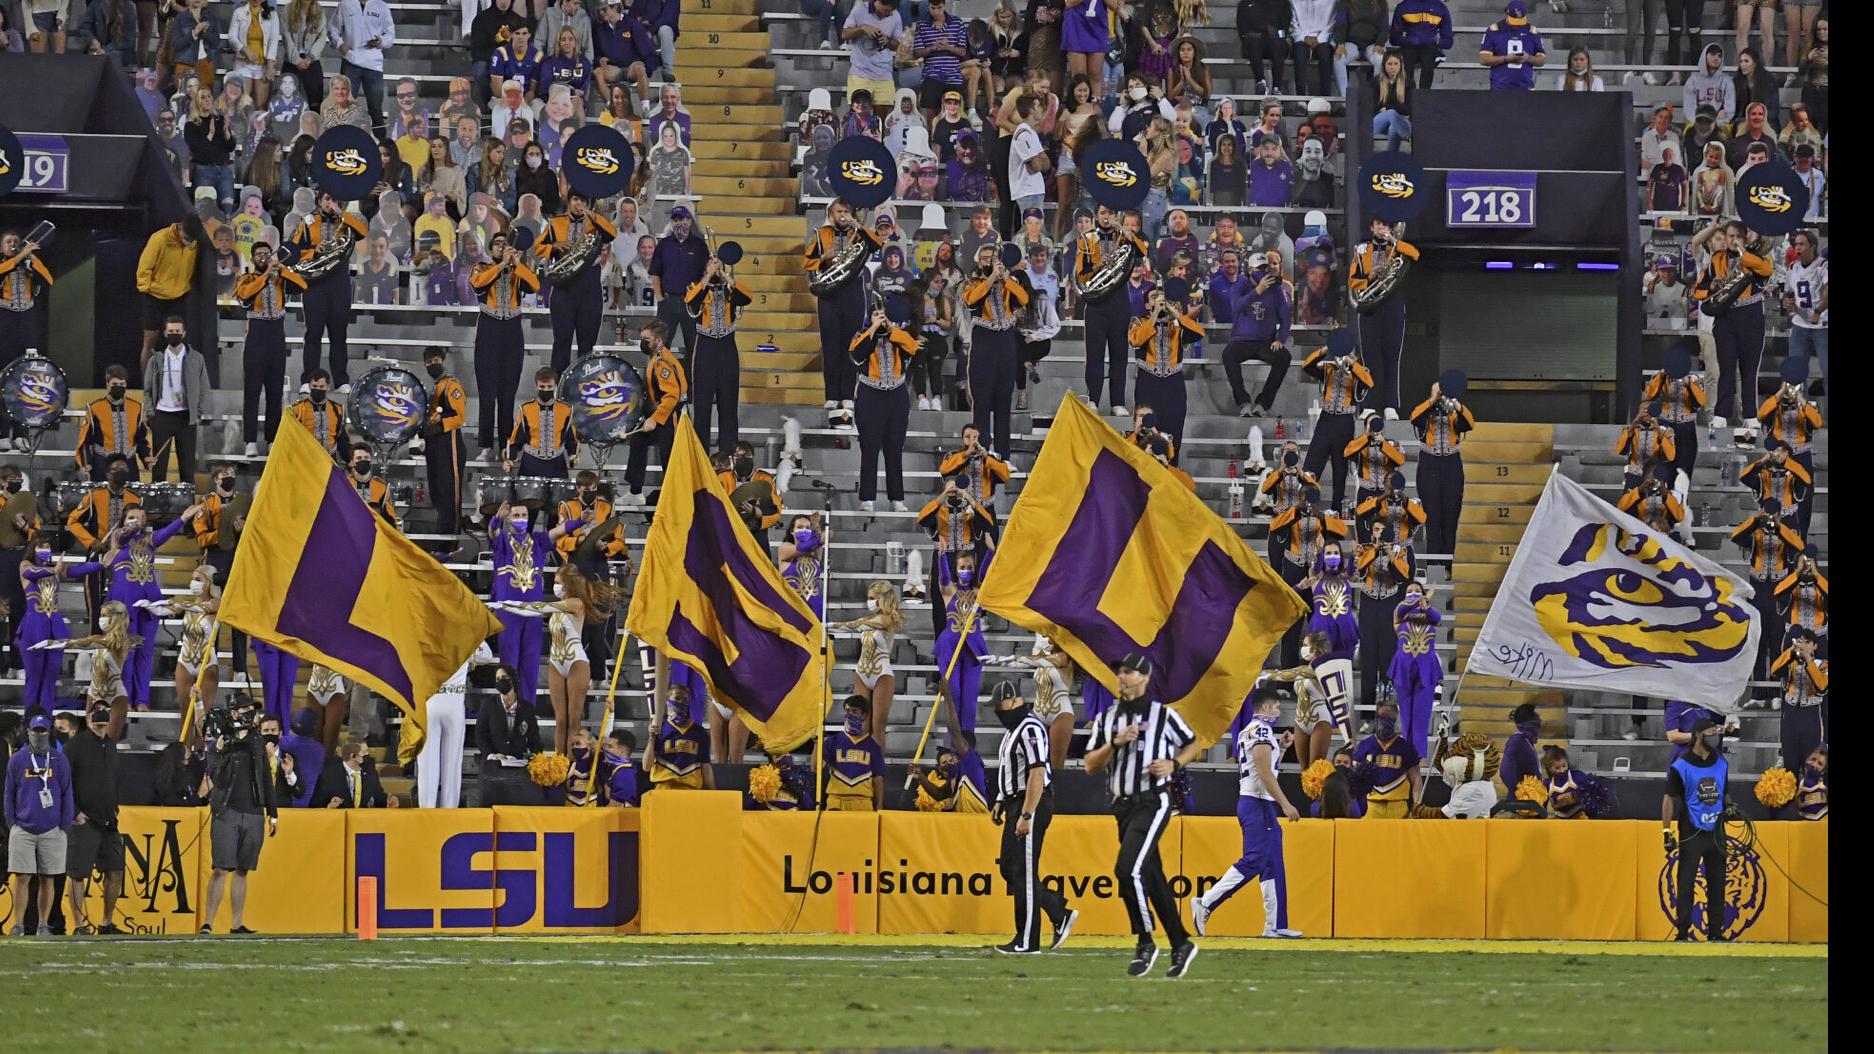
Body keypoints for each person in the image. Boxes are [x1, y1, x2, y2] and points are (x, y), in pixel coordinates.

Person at [1083, 653, 1201, 978]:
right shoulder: (1109, 718)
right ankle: (1180, 942)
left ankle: (1145, 940)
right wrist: (1115, 743)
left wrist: (1174, 764)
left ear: (1145, 678)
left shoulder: (1162, 715)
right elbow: (1090, 764)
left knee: (1126, 870)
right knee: (1152, 877)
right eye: (1120, 671)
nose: (1122, 677)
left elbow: (1194, 744)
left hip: (1153, 800)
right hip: (1122, 805)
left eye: (1129, 672)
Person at [1192, 682, 1302, 939]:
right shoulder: (1261, 731)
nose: (1277, 712)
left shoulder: (1252, 731)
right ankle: (1206, 902)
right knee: (1254, 859)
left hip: (1257, 801)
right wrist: (1285, 804)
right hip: (1258, 802)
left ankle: (1275, 924)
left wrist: (1283, 748)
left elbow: (1264, 767)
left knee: (1273, 863)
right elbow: (1264, 773)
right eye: (1275, 707)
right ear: (1265, 706)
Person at [988, 679, 1076, 953]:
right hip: (1015, 801)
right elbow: (1012, 769)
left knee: (1024, 873)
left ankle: (1027, 940)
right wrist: (1001, 799)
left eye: (1000, 706)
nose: (998, 712)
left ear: (1014, 701)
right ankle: (1057, 911)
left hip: (1030, 802)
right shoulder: (1013, 730)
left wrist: (1027, 813)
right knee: (1009, 869)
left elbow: (1037, 771)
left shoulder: (1029, 727)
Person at [201, 695, 276, 933]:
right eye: (244, 709)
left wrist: (272, 813)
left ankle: (237, 923)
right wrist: (222, 751)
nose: (249, 713)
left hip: (253, 810)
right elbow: (216, 778)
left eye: (250, 709)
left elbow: (265, 777)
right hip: (227, 809)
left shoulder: (256, 740)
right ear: (233, 712)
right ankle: (208, 923)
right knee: (221, 868)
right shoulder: (221, 741)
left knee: (243, 869)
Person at [804, 200, 883, 428]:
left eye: (846, 211)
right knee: (830, 346)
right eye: (839, 211)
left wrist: (858, 225)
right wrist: (824, 257)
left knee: (851, 344)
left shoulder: (858, 233)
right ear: (831, 214)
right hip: (829, 293)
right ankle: (831, 395)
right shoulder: (821, 234)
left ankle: (847, 394)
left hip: (852, 292)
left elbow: (876, 244)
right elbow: (807, 263)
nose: (843, 215)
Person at [1690, 221, 1773, 428]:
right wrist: (1713, 287)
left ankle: (1750, 416)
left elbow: (1766, 270)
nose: (1732, 239)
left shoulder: (1757, 257)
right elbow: (1698, 291)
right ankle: (1721, 414)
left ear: (1745, 238)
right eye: (1729, 236)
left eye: (1737, 236)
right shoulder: (1717, 258)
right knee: (1726, 367)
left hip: (1751, 315)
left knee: (1749, 370)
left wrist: (1742, 251)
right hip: (1726, 317)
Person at [285, 190, 368, 391]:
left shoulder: (345, 221)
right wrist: (314, 251)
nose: (331, 203)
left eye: (335, 199)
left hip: (339, 283)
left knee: (339, 334)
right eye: (328, 199)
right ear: (319, 201)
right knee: (313, 333)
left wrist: (342, 213)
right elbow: (292, 251)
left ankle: (341, 381)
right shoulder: (307, 221)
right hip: (314, 284)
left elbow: (363, 232)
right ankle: (307, 380)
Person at [1075, 204, 1151, 417]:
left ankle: (1118, 402)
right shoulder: (1086, 239)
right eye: (1103, 213)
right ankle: (1093, 399)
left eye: (1110, 213)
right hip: (1096, 304)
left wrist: (1125, 230)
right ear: (1096, 216)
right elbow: (1081, 274)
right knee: (1095, 355)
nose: (1107, 217)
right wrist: (1099, 266)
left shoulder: (1125, 237)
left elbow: (1143, 252)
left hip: (1120, 302)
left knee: (1119, 354)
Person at [1663, 717, 1733, 941]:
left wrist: (1730, 806)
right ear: (1700, 735)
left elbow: (1724, 791)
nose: (1716, 735)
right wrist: (1667, 830)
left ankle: (1716, 933)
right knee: (1686, 881)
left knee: (1718, 882)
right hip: (1691, 830)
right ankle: (1682, 932)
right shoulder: (1681, 766)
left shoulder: (1721, 763)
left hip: (1716, 831)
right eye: (1712, 731)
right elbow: (1669, 799)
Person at [533, 191, 618, 374]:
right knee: (561, 341)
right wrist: (554, 246)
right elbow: (537, 247)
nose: (579, 204)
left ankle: (582, 387)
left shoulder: (595, 223)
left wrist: (593, 215)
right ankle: (557, 386)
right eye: (575, 199)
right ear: (569, 201)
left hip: (590, 288)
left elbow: (612, 234)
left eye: (583, 201)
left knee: (587, 345)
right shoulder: (555, 223)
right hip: (564, 289)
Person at [471, 231, 540, 454]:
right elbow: (477, 284)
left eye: (505, 244)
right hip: (489, 329)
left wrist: (517, 264)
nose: (502, 247)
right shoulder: (482, 266)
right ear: (491, 249)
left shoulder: (517, 270)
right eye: (497, 244)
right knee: (487, 394)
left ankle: (506, 445)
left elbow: (535, 285)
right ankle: (484, 446)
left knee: (508, 394)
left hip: (512, 331)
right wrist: (501, 266)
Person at [233, 242, 305, 455]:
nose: (264, 257)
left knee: (275, 393)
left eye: (266, 254)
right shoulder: (247, 278)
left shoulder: (280, 279)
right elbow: (245, 295)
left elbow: (302, 286)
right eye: (259, 255)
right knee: (252, 392)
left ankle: (272, 439)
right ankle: (250, 441)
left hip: (276, 335)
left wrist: (282, 269)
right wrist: (266, 276)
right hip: (256, 335)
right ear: (252, 258)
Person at [850, 299, 920, 513]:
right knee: (869, 448)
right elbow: (856, 353)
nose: (880, 318)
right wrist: (873, 328)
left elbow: (913, 347)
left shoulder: (899, 334)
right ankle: (867, 499)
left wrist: (890, 328)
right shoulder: (860, 335)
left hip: (896, 397)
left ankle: (897, 498)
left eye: (883, 314)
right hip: (870, 396)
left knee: (894, 449)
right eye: (875, 315)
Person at [962, 244, 1029, 460]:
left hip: (1006, 342)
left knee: (1003, 401)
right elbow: (971, 300)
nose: (987, 261)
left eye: (991, 258)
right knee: (981, 401)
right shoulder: (971, 282)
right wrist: (991, 279)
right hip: (983, 340)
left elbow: (1024, 299)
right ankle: (981, 452)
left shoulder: (1010, 282)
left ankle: (1003, 456)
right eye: (983, 258)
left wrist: (1006, 278)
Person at [684, 248, 754, 453]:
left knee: (729, 404)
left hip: (727, 348)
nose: (715, 267)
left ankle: (728, 453)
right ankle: (700, 454)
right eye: (712, 264)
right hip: (705, 347)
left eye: (718, 264)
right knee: (702, 405)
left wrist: (725, 276)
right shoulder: (696, 286)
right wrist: (707, 276)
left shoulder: (729, 288)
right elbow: (690, 301)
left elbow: (748, 297)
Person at [1348, 218, 1416, 418]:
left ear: (1390, 228)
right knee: (1370, 356)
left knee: (1392, 357)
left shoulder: (1398, 248)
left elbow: (1415, 254)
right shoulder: (1361, 250)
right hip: (1369, 305)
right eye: (1378, 224)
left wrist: (1394, 241)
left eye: (1385, 225)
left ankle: (1390, 406)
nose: (1381, 228)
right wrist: (1370, 276)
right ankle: (1370, 404)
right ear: (1371, 227)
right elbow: (1353, 280)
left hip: (1393, 305)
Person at [1298, 330, 1371, 511]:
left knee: (1340, 467)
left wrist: (1350, 362)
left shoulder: (1358, 371)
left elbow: (1369, 383)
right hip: (1326, 419)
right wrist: (1326, 349)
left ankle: (1336, 509)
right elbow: (1307, 366)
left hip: (1345, 422)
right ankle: (1306, 504)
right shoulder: (1328, 369)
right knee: (1313, 462)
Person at [1127, 287, 1202, 460]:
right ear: (1147, 304)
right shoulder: (1138, 321)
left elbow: (1197, 334)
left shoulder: (1177, 324)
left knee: (1174, 431)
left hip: (1173, 384)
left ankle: (1172, 472)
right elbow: (1136, 340)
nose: (1159, 299)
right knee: (1146, 434)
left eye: (1162, 297)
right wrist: (1154, 316)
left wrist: (1176, 314)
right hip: (1148, 383)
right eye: (1154, 297)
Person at [415, 641, 489, 808]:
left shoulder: (424, 633)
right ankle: (449, 811)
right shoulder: (463, 635)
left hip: (429, 701)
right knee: (452, 765)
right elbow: (486, 655)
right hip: (453, 703)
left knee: (427, 766)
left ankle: (426, 811)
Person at [622, 319, 687, 500]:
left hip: (669, 417)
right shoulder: (655, 358)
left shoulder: (662, 362)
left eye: (646, 339)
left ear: (658, 341)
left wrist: (655, 418)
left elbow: (672, 395)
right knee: (638, 440)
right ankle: (635, 492)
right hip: (658, 414)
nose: (643, 342)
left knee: (669, 460)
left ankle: (675, 498)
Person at [1221, 251, 1291, 418]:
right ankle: (1243, 402)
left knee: (1284, 357)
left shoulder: (1275, 290)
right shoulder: (1240, 285)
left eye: (1266, 267)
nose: (1264, 271)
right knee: (1228, 354)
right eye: (1260, 268)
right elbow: (1236, 307)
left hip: (1265, 342)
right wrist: (1256, 292)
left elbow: (1286, 317)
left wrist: (1281, 339)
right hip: (1241, 340)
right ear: (1250, 270)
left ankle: (1262, 404)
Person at [141, 314, 209, 483]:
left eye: (177, 331)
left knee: (187, 469)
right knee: (159, 468)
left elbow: (204, 388)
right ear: (165, 333)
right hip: (162, 416)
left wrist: (198, 412)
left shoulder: (196, 359)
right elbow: (148, 390)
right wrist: (151, 413)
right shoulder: (156, 360)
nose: (174, 334)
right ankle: (158, 505)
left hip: (186, 417)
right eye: (171, 331)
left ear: (184, 333)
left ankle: (188, 506)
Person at [833, 582, 905, 741]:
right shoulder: (867, 619)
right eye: (868, 598)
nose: (869, 601)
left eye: (872, 598)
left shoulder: (888, 619)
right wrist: (828, 626)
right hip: (862, 672)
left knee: (878, 727)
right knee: (858, 724)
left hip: (882, 674)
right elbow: (853, 626)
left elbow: (860, 625)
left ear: (882, 599)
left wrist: (856, 624)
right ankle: (858, 763)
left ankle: (877, 765)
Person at [935, 546, 991, 740]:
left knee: (969, 702)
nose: (965, 570)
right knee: (953, 696)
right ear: (956, 569)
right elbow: (943, 577)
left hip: (973, 650)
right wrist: (942, 556)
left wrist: (990, 552)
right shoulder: (949, 590)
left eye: (969, 567)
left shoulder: (978, 593)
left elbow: (985, 576)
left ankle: (968, 745)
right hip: (950, 648)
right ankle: (953, 746)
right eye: (962, 567)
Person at [416, 346, 468, 540]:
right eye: (429, 362)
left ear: (443, 360)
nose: (433, 364)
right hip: (435, 445)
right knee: (437, 494)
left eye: (436, 360)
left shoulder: (451, 385)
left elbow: (459, 417)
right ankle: (442, 540)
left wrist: (439, 426)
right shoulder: (434, 387)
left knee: (449, 496)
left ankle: (451, 542)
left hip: (450, 444)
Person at [475, 663, 545, 805]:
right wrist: (491, 755)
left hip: (517, 765)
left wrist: (537, 758)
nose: (501, 681)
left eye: (504, 677)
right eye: (498, 679)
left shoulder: (526, 708)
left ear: (512, 679)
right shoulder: (488, 704)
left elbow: (534, 739)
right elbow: (480, 735)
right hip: (493, 764)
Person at [73, 366, 153, 485]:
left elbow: (140, 439)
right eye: (115, 383)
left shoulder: (136, 408)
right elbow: (85, 440)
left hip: (129, 466)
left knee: (130, 500)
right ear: (107, 385)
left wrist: (146, 457)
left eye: (122, 384)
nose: (119, 387)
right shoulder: (94, 408)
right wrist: (87, 463)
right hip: (102, 466)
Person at [1389, 578, 1441, 757]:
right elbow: (1402, 608)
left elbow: (1437, 619)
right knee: (1406, 715)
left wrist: (1426, 604)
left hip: (1426, 670)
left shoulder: (1430, 615)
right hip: (1403, 670)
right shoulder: (1400, 614)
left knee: (1421, 715)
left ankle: (1419, 755)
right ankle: (1407, 753)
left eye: (1417, 590)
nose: (1413, 592)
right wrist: (1421, 597)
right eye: (1409, 590)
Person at [327, 0, 394, 132]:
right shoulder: (345, 4)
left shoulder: (382, 6)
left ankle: (380, 147)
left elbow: (390, 35)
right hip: (350, 61)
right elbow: (333, 29)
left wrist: (381, 41)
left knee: (376, 109)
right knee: (344, 108)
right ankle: (342, 143)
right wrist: (340, 45)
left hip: (374, 65)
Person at [503, 367, 579, 481]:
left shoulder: (566, 409)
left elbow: (570, 436)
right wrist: (510, 459)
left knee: (557, 498)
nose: (546, 389)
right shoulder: (526, 409)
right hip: (531, 462)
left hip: (557, 463)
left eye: (549, 386)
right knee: (530, 498)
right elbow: (516, 437)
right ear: (536, 386)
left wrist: (573, 454)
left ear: (555, 386)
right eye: (542, 386)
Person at [1351, 697, 1421, 818]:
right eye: (1383, 717)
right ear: (1376, 718)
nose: (1385, 722)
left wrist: (1416, 807)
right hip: (1371, 806)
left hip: (1399, 806)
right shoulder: (1364, 746)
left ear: (1395, 720)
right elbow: (1354, 781)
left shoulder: (1406, 747)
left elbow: (1416, 780)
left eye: (1390, 718)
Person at [1769, 629, 1825, 773]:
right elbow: (1774, 671)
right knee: (1790, 766)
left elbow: (1822, 687)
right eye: (1800, 641)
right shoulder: (1790, 663)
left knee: (1811, 768)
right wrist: (1791, 651)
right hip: (1790, 716)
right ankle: (1790, 795)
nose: (1803, 645)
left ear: (1815, 646)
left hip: (1811, 717)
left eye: (1807, 642)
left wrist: (1808, 660)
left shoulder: (1823, 665)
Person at [1780, 228, 1827, 397]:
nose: (1797, 248)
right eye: (1795, 244)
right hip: (1800, 325)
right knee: (1795, 373)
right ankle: (1800, 416)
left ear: (1812, 246)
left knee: (1827, 371)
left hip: (1823, 325)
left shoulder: (1823, 265)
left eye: (1801, 244)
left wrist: (1818, 311)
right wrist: (1787, 302)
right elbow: (1787, 293)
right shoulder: (1792, 268)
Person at [0, 229, 53, 375]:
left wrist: (31, 257)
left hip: (27, 315)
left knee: (29, 353)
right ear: (1, 248)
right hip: (5, 314)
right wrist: (21, 255)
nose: (13, 244)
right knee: (5, 352)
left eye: (16, 242)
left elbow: (49, 279)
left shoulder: (29, 264)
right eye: (8, 242)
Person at [821, 695, 886, 811]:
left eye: (854, 711)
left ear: (864, 715)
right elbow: (815, 767)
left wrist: (879, 805)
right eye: (847, 711)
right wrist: (817, 742)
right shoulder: (832, 741)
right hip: (835, 801)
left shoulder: (873, 746)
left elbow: (878, 779)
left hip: (862, 802)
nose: (849, 714)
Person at [645, 683, 714, 791]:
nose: (681, 702)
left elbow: (705, 766)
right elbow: (646, 767)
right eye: (677, 698)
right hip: (664, 789)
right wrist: (651, 738)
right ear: (667, 701)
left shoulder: (699, 732)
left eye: (685, 700)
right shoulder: (660, 729)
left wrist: (713, 794)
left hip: (691, 790)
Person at [842, 0, 903, 103]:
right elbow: (844, 34)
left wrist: (887, 41)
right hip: (860, 72)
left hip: (884, 73)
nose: (889, 14)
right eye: (887, 10)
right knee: (858, 114)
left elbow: (898, 44)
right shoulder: (859, 9)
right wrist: (862, 28)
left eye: (891, 11)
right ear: (879, 3)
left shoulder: (896, 16)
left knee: (882, 117)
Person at [1388, 0, 1453, 89]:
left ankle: (1424, 95)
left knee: (1428, 59)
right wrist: (1409, 40)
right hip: (1409, 47)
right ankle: (1410, 92)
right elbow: (1394, 38)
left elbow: (1448, 41)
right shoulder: (1403, 7)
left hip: (1430, 48)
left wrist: (1436, 41)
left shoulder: (1441, 8)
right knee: (1406, 59)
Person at [315, 737, 392, 808]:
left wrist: (388, 801)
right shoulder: (328, 775)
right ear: (353, 756)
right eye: (364, 752)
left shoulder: (370, 773)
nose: (367, 755)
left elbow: (379, 798)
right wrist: (329, 806)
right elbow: (317, 803)